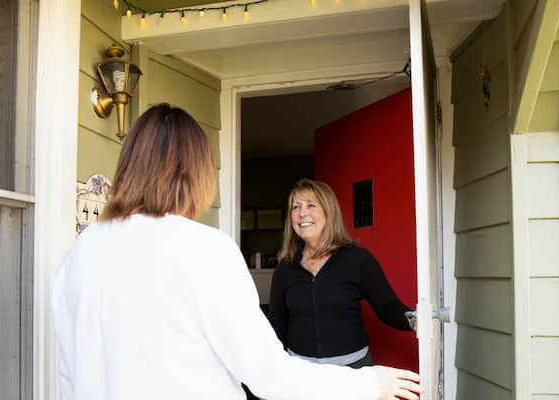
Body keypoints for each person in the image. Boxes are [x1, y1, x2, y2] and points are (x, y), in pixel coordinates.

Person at [51, 104, 423, 400]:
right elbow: (268, 374)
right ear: (196, 173)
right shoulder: (205, 250)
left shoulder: (78, 254)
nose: (302, 214)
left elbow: (69, 375)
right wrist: (368, 385)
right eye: (296, 207)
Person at [269, 179, 416, 369]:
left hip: (352, 370)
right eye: (295, 207)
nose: (302, 213)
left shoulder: (357, 259)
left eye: (311, 205)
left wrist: (413, 319)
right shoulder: (285, 267)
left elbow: (388, 307)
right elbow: (276, 327)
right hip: (301, 373)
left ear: (329, 212)